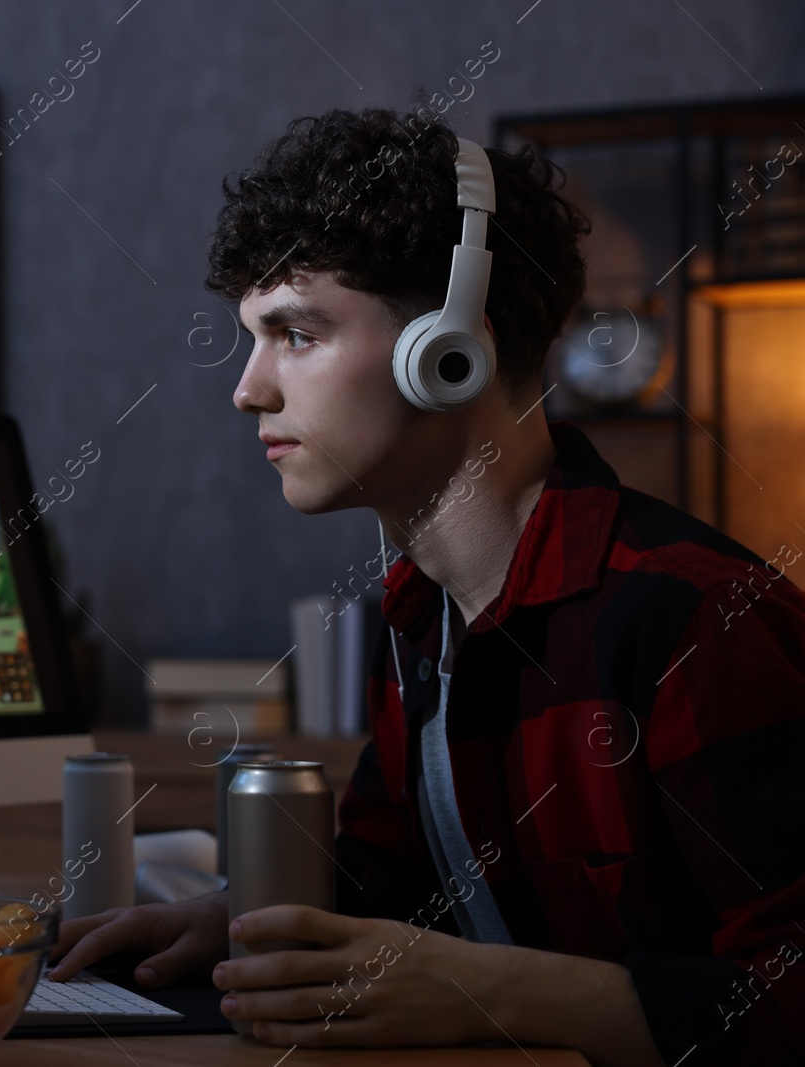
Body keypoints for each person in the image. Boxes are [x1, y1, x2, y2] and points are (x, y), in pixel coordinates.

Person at [48, 106, 805, 1067]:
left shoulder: (697, 621)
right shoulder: (420, 613)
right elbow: (400, 878)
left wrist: (492, 988)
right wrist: (224, 916)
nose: (248, 389)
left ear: (450, 355)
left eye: (295, 332)